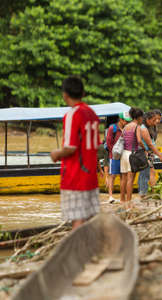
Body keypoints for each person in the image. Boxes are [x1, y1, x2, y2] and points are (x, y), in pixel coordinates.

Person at [50, 76, 100, 230]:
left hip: (75, 176)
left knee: (77, 220)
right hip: (91, 175)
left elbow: (70, 148)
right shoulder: (91, 113)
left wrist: (56, 154)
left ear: (65, 95)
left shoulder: (73, 114)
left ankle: (79, 253)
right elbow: (97, 145)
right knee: (90, 217)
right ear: (83, 93)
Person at [138, 110, 162, 199]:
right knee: (146, 173)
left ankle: (151, 192)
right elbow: (149, 144)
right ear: (148, 119)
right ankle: (144, 193)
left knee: (150, 172)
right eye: (154, 120)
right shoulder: (143, 128)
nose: (156, 122)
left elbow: (152, 142)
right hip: (145, 152)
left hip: (149, 152)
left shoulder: (151, 127)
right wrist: (160, 155)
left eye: (158, 119)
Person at [120, 107, 144, 209]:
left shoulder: (126, 126)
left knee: (123, 178)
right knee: (130, 179)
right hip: (131, 154)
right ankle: (129, 203)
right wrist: (144, 147)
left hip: (123, 153)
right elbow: (138, 140)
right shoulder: (137, 126)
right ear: (139, 117)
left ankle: (122, 200)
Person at [106, 111, 131, 203]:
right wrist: (114, 153)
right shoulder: (113, 128)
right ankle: (111, 196)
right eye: (125, 121)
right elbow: (109, 143)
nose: (127, 123)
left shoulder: (127, 128)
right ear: (120, 120)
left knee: (123, 176)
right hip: (114, 155)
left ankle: (122, 196)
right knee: (112, 176)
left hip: (124, 155)